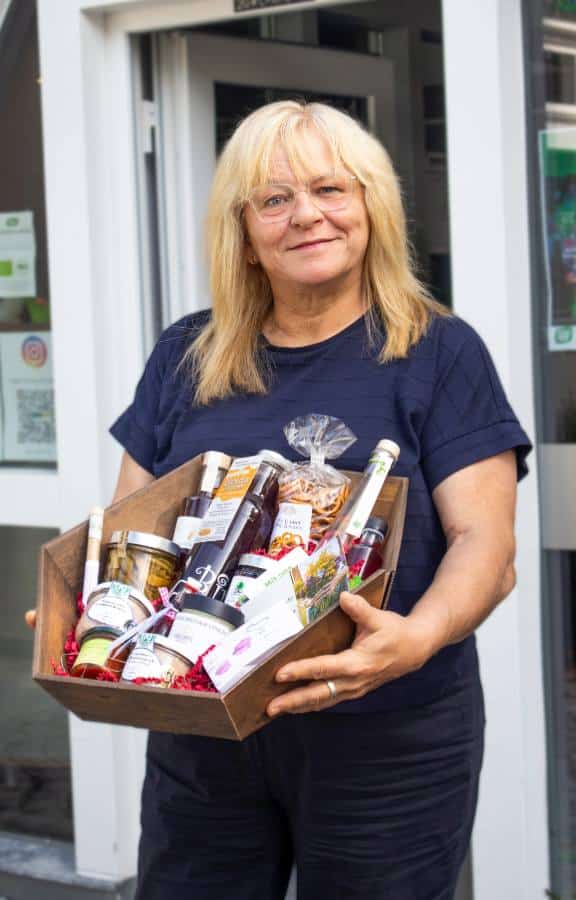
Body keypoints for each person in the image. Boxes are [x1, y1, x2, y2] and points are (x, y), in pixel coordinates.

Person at [30, 100, 532, 899]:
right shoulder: (188, 354)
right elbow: (129, 522)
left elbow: (486, 546)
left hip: (386, 736)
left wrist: (414, 637)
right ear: (246, 232)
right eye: (275, 199)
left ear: (371, 206)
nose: (307, 215)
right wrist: (87, 602)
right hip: (205, 733)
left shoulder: (438, 351)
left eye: (332, 189)